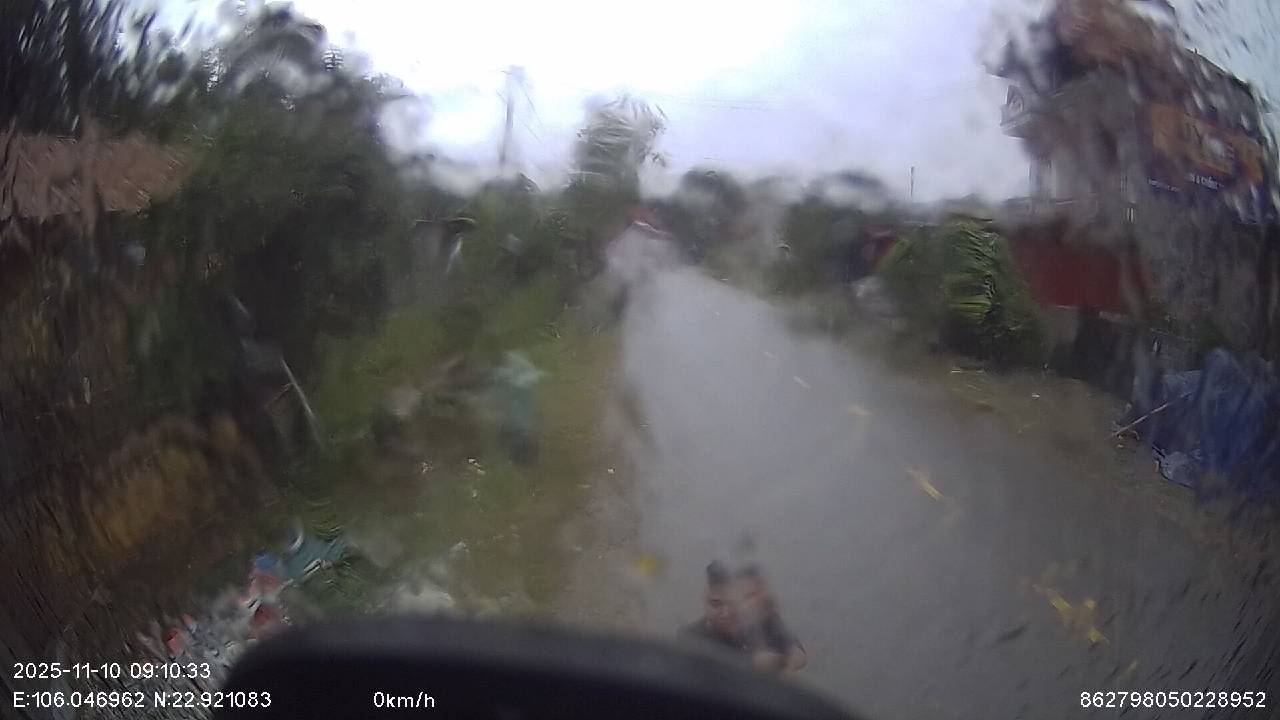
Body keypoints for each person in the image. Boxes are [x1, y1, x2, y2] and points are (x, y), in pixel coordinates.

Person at [736, 565, 808, 675]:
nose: (758, 600)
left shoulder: (770, 619)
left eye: (760, 592)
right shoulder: (729, 627)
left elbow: (798, 654)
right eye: (751, 595)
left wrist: (789, 657)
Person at [680, 561, 747, 654]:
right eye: (716, 604)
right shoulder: (690, 640)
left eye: (733, 604)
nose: (726, 613)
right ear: (705, 601)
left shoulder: (754, 636)